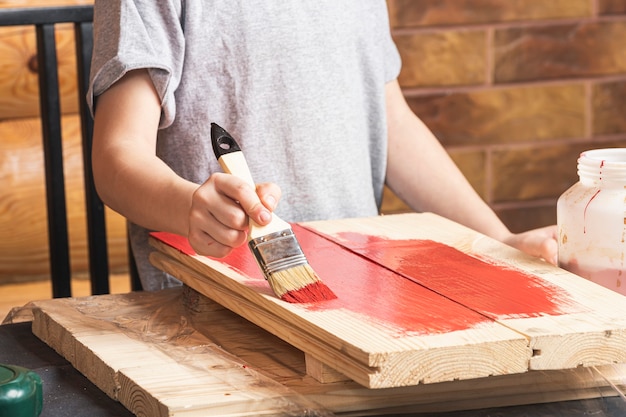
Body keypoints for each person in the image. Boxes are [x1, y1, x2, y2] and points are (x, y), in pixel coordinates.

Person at [88, 1, 557, 291]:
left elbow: (391, 123)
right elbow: (117, 158)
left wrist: (501, 241)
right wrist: (188, 205)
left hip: (362, 293)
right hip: (217, 303)